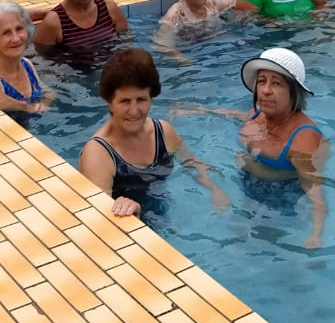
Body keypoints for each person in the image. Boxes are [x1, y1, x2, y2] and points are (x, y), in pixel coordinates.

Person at [80, 48, 229, 218]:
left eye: (141, 100)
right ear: (109, 103)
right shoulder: (98, 153)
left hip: (161, 211)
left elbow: (192, 164)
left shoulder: (163, 132)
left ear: (152, 99)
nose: (134, 111)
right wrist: (127, 207)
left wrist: (216, 190)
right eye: (125, 101)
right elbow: (97, 218)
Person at [238, 47, 328, 249]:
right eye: (262, 81)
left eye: (276, 83)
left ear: (293, 92)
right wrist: (200, 110)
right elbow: (235, 115)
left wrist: (316, 236)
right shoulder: (258, 114)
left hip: (281, 210)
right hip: (249, 196)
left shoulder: (302, 140)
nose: (266, 90)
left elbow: (315, 189)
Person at [0, 2, 54, 120]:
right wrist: (25, 107)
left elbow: (46, 91)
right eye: (6, 33)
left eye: (19, 29)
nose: (16, 38)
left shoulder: (26, 64)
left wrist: (45, 103)